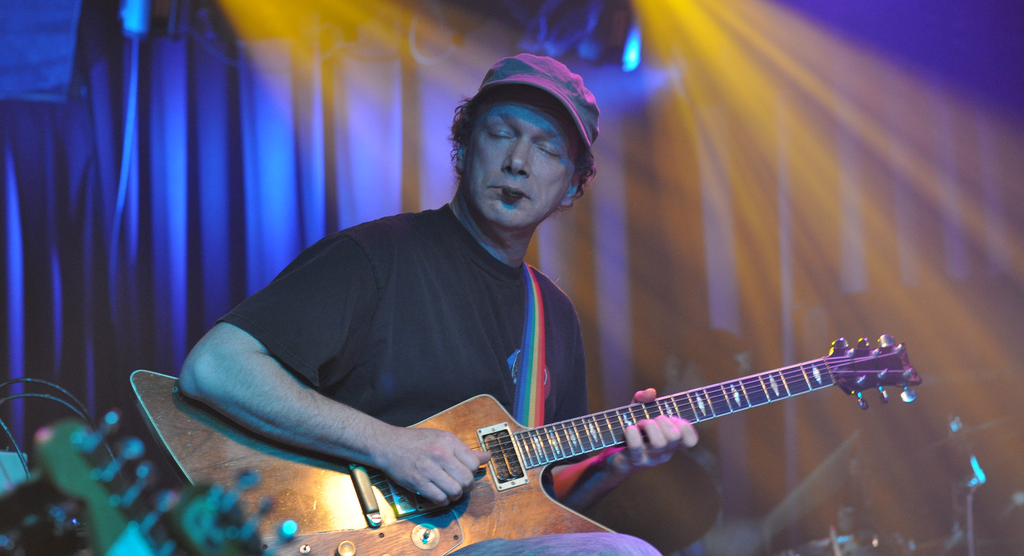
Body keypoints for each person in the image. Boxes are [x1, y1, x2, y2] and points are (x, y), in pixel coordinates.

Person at [178, 53, 698, 555]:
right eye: (501, 134)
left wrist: (615, 464)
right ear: (464, 149)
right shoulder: (374, 258)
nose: (518, 162)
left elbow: (538, 509)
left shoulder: (553, 316)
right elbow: (214, 366)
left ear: (570, 187)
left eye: (546, 149)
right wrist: (388, 445)